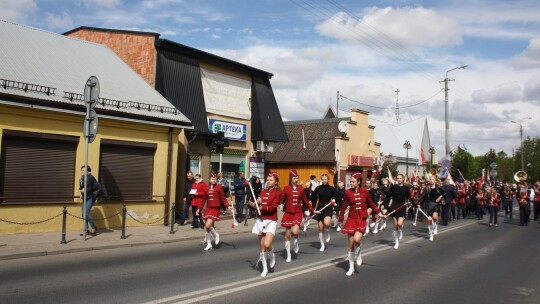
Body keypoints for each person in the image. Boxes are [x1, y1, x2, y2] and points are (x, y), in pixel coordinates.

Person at [338, 172, 381, 276]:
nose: (351, 183)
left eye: (353, 182)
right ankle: (351, 268)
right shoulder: (348, 192)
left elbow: (371, 203)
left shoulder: (364, 191)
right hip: (351, 220)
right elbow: (343, 206)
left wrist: (379, 212)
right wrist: (340, 220)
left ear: (358, 182)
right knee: (351, 245)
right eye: (350, 181)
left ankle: (359, 253)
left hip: (361, 218)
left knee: (357, 240)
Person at [280, 169, 319, 262]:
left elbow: (305, 201)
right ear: (290, 178)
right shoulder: (286, 188)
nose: (296, 179)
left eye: (297, 177)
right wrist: (280, 204)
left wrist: (313, 210)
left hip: (297, 212)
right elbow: (281, 198)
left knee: (295, 232)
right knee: (287, 234)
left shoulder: (301, 189)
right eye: (294, 177)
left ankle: (296, 242)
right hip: (288, 213)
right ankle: (288, 254)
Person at [249, 172, 281, 277]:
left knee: (267, 245)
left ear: (275, 182)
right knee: (262, 246)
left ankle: (272, 255)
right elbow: (259, 203)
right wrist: (255, 204)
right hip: (260, 219)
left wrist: (262, 207)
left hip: (271, 220)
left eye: (271, 180)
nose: (268, 181)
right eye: (267, 179)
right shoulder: (262, 192)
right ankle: (265, 268)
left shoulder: (277, 193)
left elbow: (272, 208)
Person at [197, 173, 233, 250]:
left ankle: (216, 234)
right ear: (209, 180)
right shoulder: (206, 188)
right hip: (208, 208)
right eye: (212, 179)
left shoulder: (219, 187)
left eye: (215, 179)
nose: (214, 180)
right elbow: (203, 200)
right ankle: (209, 244)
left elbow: (223, 198)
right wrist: (199, 209)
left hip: (215, 208)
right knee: (207, 228)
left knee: (207, 225)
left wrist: (228, 206)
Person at [310, 173, 339, 252]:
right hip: (320, 209)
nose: (324, 181)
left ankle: (328, 231)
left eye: (325, 179)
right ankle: (322, 245)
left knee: (326, 223)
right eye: (322, 179)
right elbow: (313, 197)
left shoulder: (331, 188)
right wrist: (312, 208)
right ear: (321, 180)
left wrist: (334, 201)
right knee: (320, 228)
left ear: (328, 180)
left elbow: (337, 197)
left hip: (328, 208)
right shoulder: (318, 188)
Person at [386, 174, 409, 249]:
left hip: (402, 206)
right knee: (395, 225)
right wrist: (384, 205)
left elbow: (409, 198)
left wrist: (415, 204)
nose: (399, 179)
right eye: (397, 178)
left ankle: (400, 230)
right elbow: (388, 196)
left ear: (403, 179)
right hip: (394, 206)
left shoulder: (406, 188)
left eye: (400, 178)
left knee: (399, 224)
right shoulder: (393, 187)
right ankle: (396, 242)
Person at [79, 165, 99, 236]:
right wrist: (81, 193)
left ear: (88, 171)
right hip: (85, 197)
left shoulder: (91, 177)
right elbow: (81, 187)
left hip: (90, 197)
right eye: (82, 170)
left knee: (86, 214)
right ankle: (86, 230)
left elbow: (96, 187)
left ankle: (93, 227)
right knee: (83, 214)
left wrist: (86, 190)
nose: (82, 171)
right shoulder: (82, 178)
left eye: (84, 170)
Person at [423, 175, 443, 241]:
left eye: (432, 179)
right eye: (430, 179)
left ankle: (435, 226)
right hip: (429, 205)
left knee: (434, 217)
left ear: (435, 181)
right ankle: (431, 234)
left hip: (436, 205)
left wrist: (440, 197)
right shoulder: (427, 188)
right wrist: (417, 204)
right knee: (429, 220)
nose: (431, 180)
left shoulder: (438, 188)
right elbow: (423, 197)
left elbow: (443, 194)